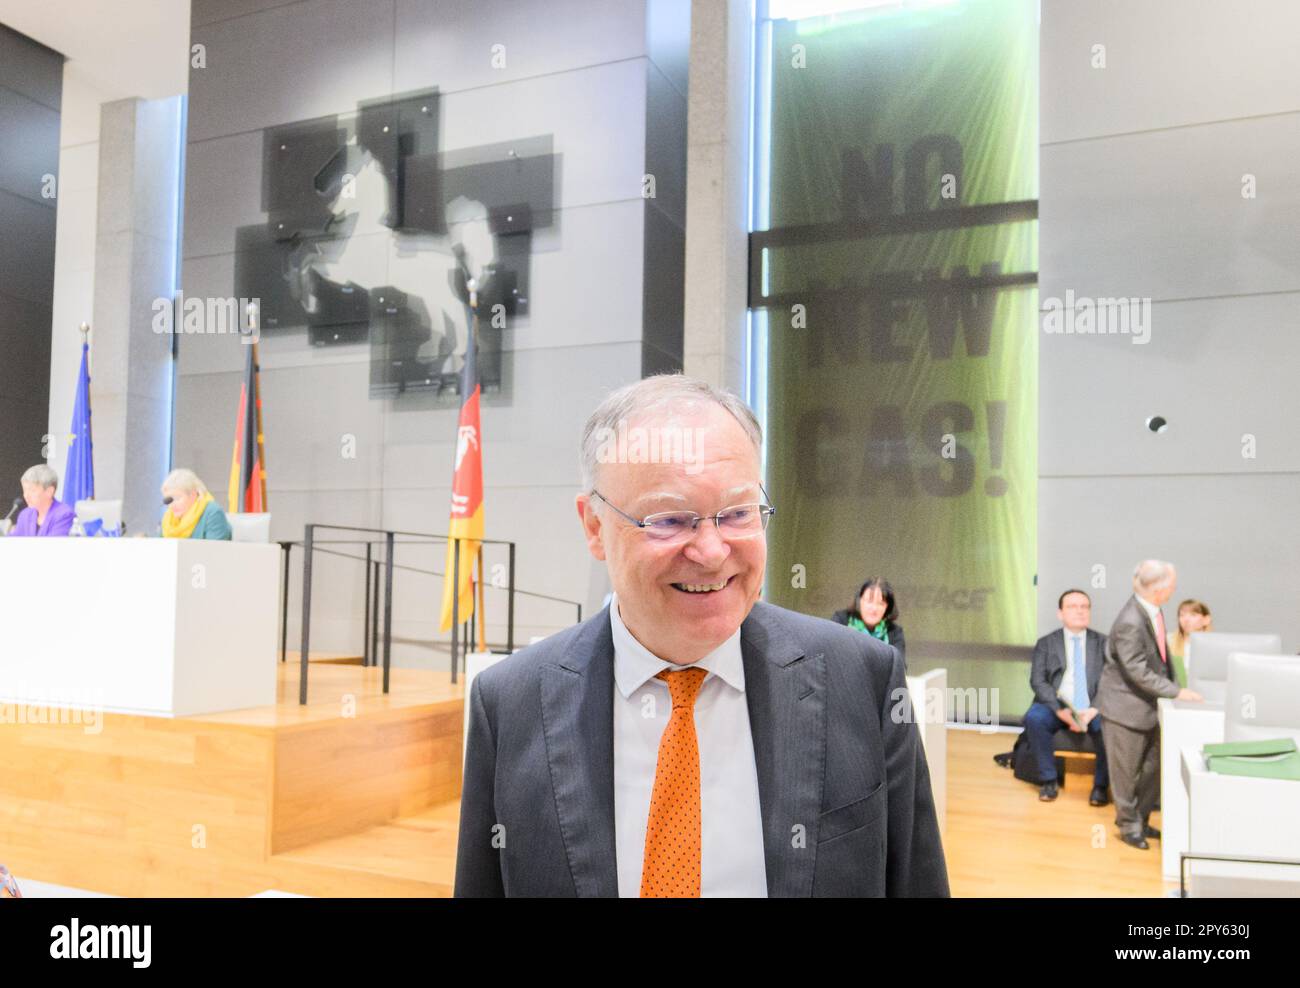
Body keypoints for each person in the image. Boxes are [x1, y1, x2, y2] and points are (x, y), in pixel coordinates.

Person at [454, 374, 948, 897]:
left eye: (737, 513)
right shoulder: (509, 705)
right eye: (670, 519)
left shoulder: (864, 678)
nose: (711, 552)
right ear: (595, 526)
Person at [1095, 560, 1203, 850]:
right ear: (1159, 588)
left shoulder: (1152, 610)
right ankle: (1128, 826)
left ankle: (1141, 819)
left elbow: (1159, 658)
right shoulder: (1130, 620)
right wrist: (1176, 692)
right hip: (1124, 709)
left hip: (1148, 707)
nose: (1174, 588)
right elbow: (1137, 670)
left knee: (1153, 768)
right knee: (1126, 774)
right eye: (1172, 583)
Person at [1024, 589, 1109, 805]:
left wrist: (1094, 709)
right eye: (1072, 607)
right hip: (1057, 705)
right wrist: (1060, 710)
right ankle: (1048, 780)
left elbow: (1112, 682)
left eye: (1084, 607)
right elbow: (1038, 681)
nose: (1079, 611)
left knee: (1112, 724)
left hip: (1092, 706)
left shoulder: (1104, 643)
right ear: (1060, 613)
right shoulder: (1046, 643)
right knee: (1035, 718)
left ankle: (1100, 786)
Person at [831, 578, 906, 668]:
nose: (874, 608)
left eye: (880, 603)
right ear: (859, 601)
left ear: (888, 607)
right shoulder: (841, 621)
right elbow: (831, 656)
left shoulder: (894, 632)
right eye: (869, 601)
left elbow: (899, 667)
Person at [160, 469, 231, 540]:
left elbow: (215, 550)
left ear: (193, 494)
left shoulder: (212, 513)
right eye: (169, 500)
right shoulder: (168, 519)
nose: (172, 505)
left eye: (177, 498)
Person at [9, 464, 75, 537]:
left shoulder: (64, 515)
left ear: (49, 491)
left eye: (32, 490)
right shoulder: (25, 515)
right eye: (24, 490)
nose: (26, 495)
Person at [1168, 599, 1212, 689]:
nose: (1186, 619)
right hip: (1175, 693)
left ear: (1206, 619)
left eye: (1193, 615)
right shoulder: (1168, 642)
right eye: (1182, 615)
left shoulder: (1213, 646)